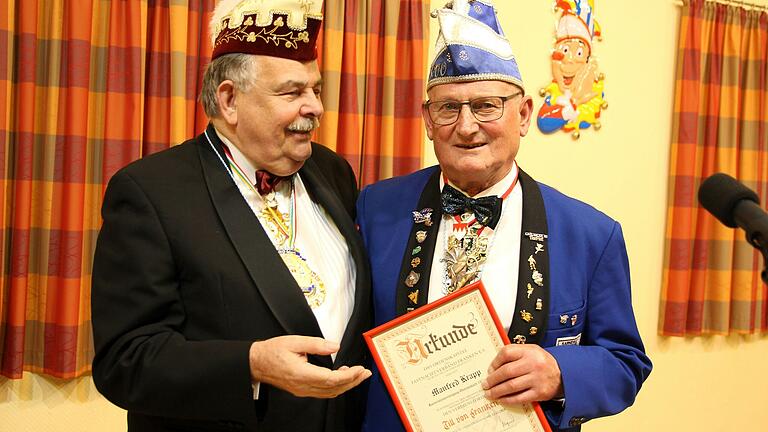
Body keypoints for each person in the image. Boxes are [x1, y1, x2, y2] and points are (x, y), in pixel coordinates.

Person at [357, 1, 651, 431]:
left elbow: (626, 363)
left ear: (525, 114)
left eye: (486, 105)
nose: (467, 126)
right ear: (426, 119)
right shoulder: (376, 208)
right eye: (447, 108)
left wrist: (560, 372)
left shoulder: (592, 234)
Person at [91, 0, 371, 430]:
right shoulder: (151, 193)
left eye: (315, 89)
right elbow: (125, 361)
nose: (315, 107)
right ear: (229, 100)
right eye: (292, 92)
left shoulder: (334, 172)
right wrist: (251, 364)